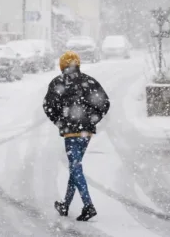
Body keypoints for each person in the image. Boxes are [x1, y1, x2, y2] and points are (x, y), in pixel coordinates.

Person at [43, 51, 110, 221]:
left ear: (62, 66)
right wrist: (93, 119)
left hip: (71, 132)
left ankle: (88, 205)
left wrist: (60, 121)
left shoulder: (58, 83)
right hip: (86, 131)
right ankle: (65, 204)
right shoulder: (89, 81)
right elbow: (104, 102)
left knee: (75, 167)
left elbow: (48, 106)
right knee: (75, 166)